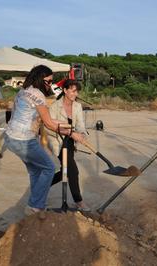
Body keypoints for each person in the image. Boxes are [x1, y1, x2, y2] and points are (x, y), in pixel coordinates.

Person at [4, 65, 85, 215]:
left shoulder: (23, 91)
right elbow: (48, 123)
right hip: (24, 140)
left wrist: (71, 130)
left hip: (11, 138)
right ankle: (35, 206)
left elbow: (14, 114)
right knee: (49, 168)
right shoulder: (38, 95)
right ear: (41, 79)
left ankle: (34, 204)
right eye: (48, 81)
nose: (50, 84)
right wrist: (71, 133)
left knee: (35, 171)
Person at [46, 79, 89, 211]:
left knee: (66, 170)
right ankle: (79, 201)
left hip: (70, 142)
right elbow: (49, 127)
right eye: (73, 91)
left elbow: (80, 124)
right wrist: (70, 132)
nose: (75, 94)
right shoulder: (54, 106)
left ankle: (42, 184)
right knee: (73, 170)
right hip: (58, 141)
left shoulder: (77, 106)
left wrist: (81, 134)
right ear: (65, 90)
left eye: (77, 91)